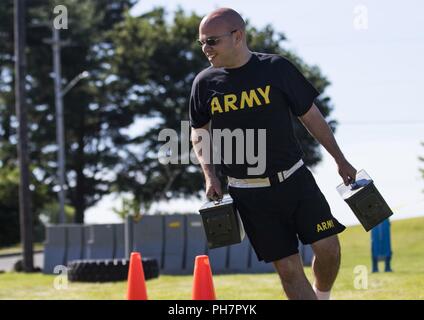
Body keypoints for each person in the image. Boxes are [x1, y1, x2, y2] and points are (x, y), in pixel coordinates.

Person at [189, 8, 357, 300]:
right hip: (249, 194)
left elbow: (312, 117)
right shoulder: (204, 83)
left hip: (295, 180)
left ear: (237, 36)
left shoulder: (277, 68)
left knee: (329, 248)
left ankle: (323, 295)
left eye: (212, 41)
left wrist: (340, 159)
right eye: (202, 42)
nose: (206, 49)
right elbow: (199, 131)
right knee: (289, 270)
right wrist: (209, 174)